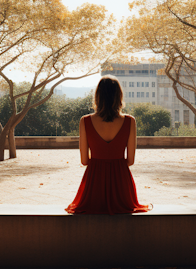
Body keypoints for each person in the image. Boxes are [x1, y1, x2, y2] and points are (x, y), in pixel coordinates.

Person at [65, 75, 152, 214]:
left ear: (97, 96)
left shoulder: (85, 121)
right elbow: (130, 161)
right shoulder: (130, 121)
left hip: (94, 184)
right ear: (119, 96)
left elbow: (84, 161)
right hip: (121, 186)